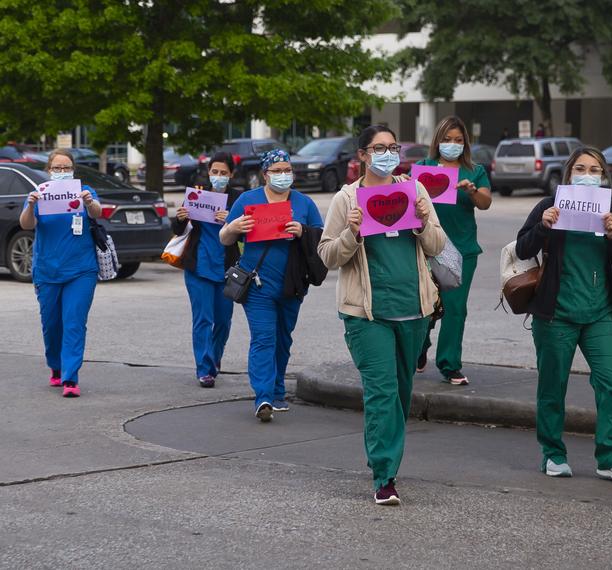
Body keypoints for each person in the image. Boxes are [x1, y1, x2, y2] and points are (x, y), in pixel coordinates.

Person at [318, 125, 446, 505]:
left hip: (413, 310)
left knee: (401, 395)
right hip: (366, 315)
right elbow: (327, 255)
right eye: (379, 148)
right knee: (382, 393)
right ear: (362, 156)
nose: (388, 153)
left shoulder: (414, 190)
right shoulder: (347, 199)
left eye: (393, 146)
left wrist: (424, 220)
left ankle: (389, 461)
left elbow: (437, 245)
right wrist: (352, 234)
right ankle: (384, 475)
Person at [516, 146, 612, 483]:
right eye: (581, 168)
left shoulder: (611, 210)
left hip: (600, 313)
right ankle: (553, 454)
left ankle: (610, 457)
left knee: (610, 381)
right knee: (552, 386)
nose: (588, 174)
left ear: (603, 176)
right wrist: (543, 226)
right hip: (556, 314)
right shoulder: (549, 206)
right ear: (569, 173)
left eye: (595, 169)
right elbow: (523, 247)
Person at [220, 149, 323, 422]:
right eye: (276, 170)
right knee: (264, 338)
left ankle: (277, 391)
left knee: (283, 339)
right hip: (257, 284)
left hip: (292, 284)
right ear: (265, 175)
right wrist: (234, 227)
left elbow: (323, 238)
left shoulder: (304, 203)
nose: (282, 175)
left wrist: (303, 232)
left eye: (286, 169)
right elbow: (224, 238)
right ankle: (263, 396)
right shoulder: (247, 200)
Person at [415, 115, 491, 385]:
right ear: (438, 141)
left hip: (462, 249)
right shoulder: (423, 168)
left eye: (458, 140)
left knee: (455, 308)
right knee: (423, 304)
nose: (452, 144)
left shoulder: (474, 170)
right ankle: (419, 347)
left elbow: (485, 202)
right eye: (447, 139)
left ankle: (449, 364)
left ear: (465, 143)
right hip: (425, 247)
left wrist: (472, 191)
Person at [20, 149, 102, 398]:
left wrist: (89, 202)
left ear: (73, 170)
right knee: (52, 324)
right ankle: (56, 366)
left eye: (66, 168)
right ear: (49, 170)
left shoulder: (83, 191)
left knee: (74, 322)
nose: (62, 172)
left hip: (81, 269)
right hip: (47, 270)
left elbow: (97, 212)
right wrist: (32, 204)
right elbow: (26, 224)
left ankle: (70, 377)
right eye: (57, 168)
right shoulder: (41, 193)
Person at [172, 151, 241, 388]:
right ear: (208, 172)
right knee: (203, 319)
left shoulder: (238, 199)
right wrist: (181, 217)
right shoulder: (198, 193)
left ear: (231, 174)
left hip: (226, 268)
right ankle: (204, 369)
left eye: (223, 173)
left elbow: (248, 233)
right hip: (199, 266)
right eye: (215, 172)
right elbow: (178, 229)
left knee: (223, 320)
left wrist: (231, 220)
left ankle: (214, 357)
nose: (218, 176)